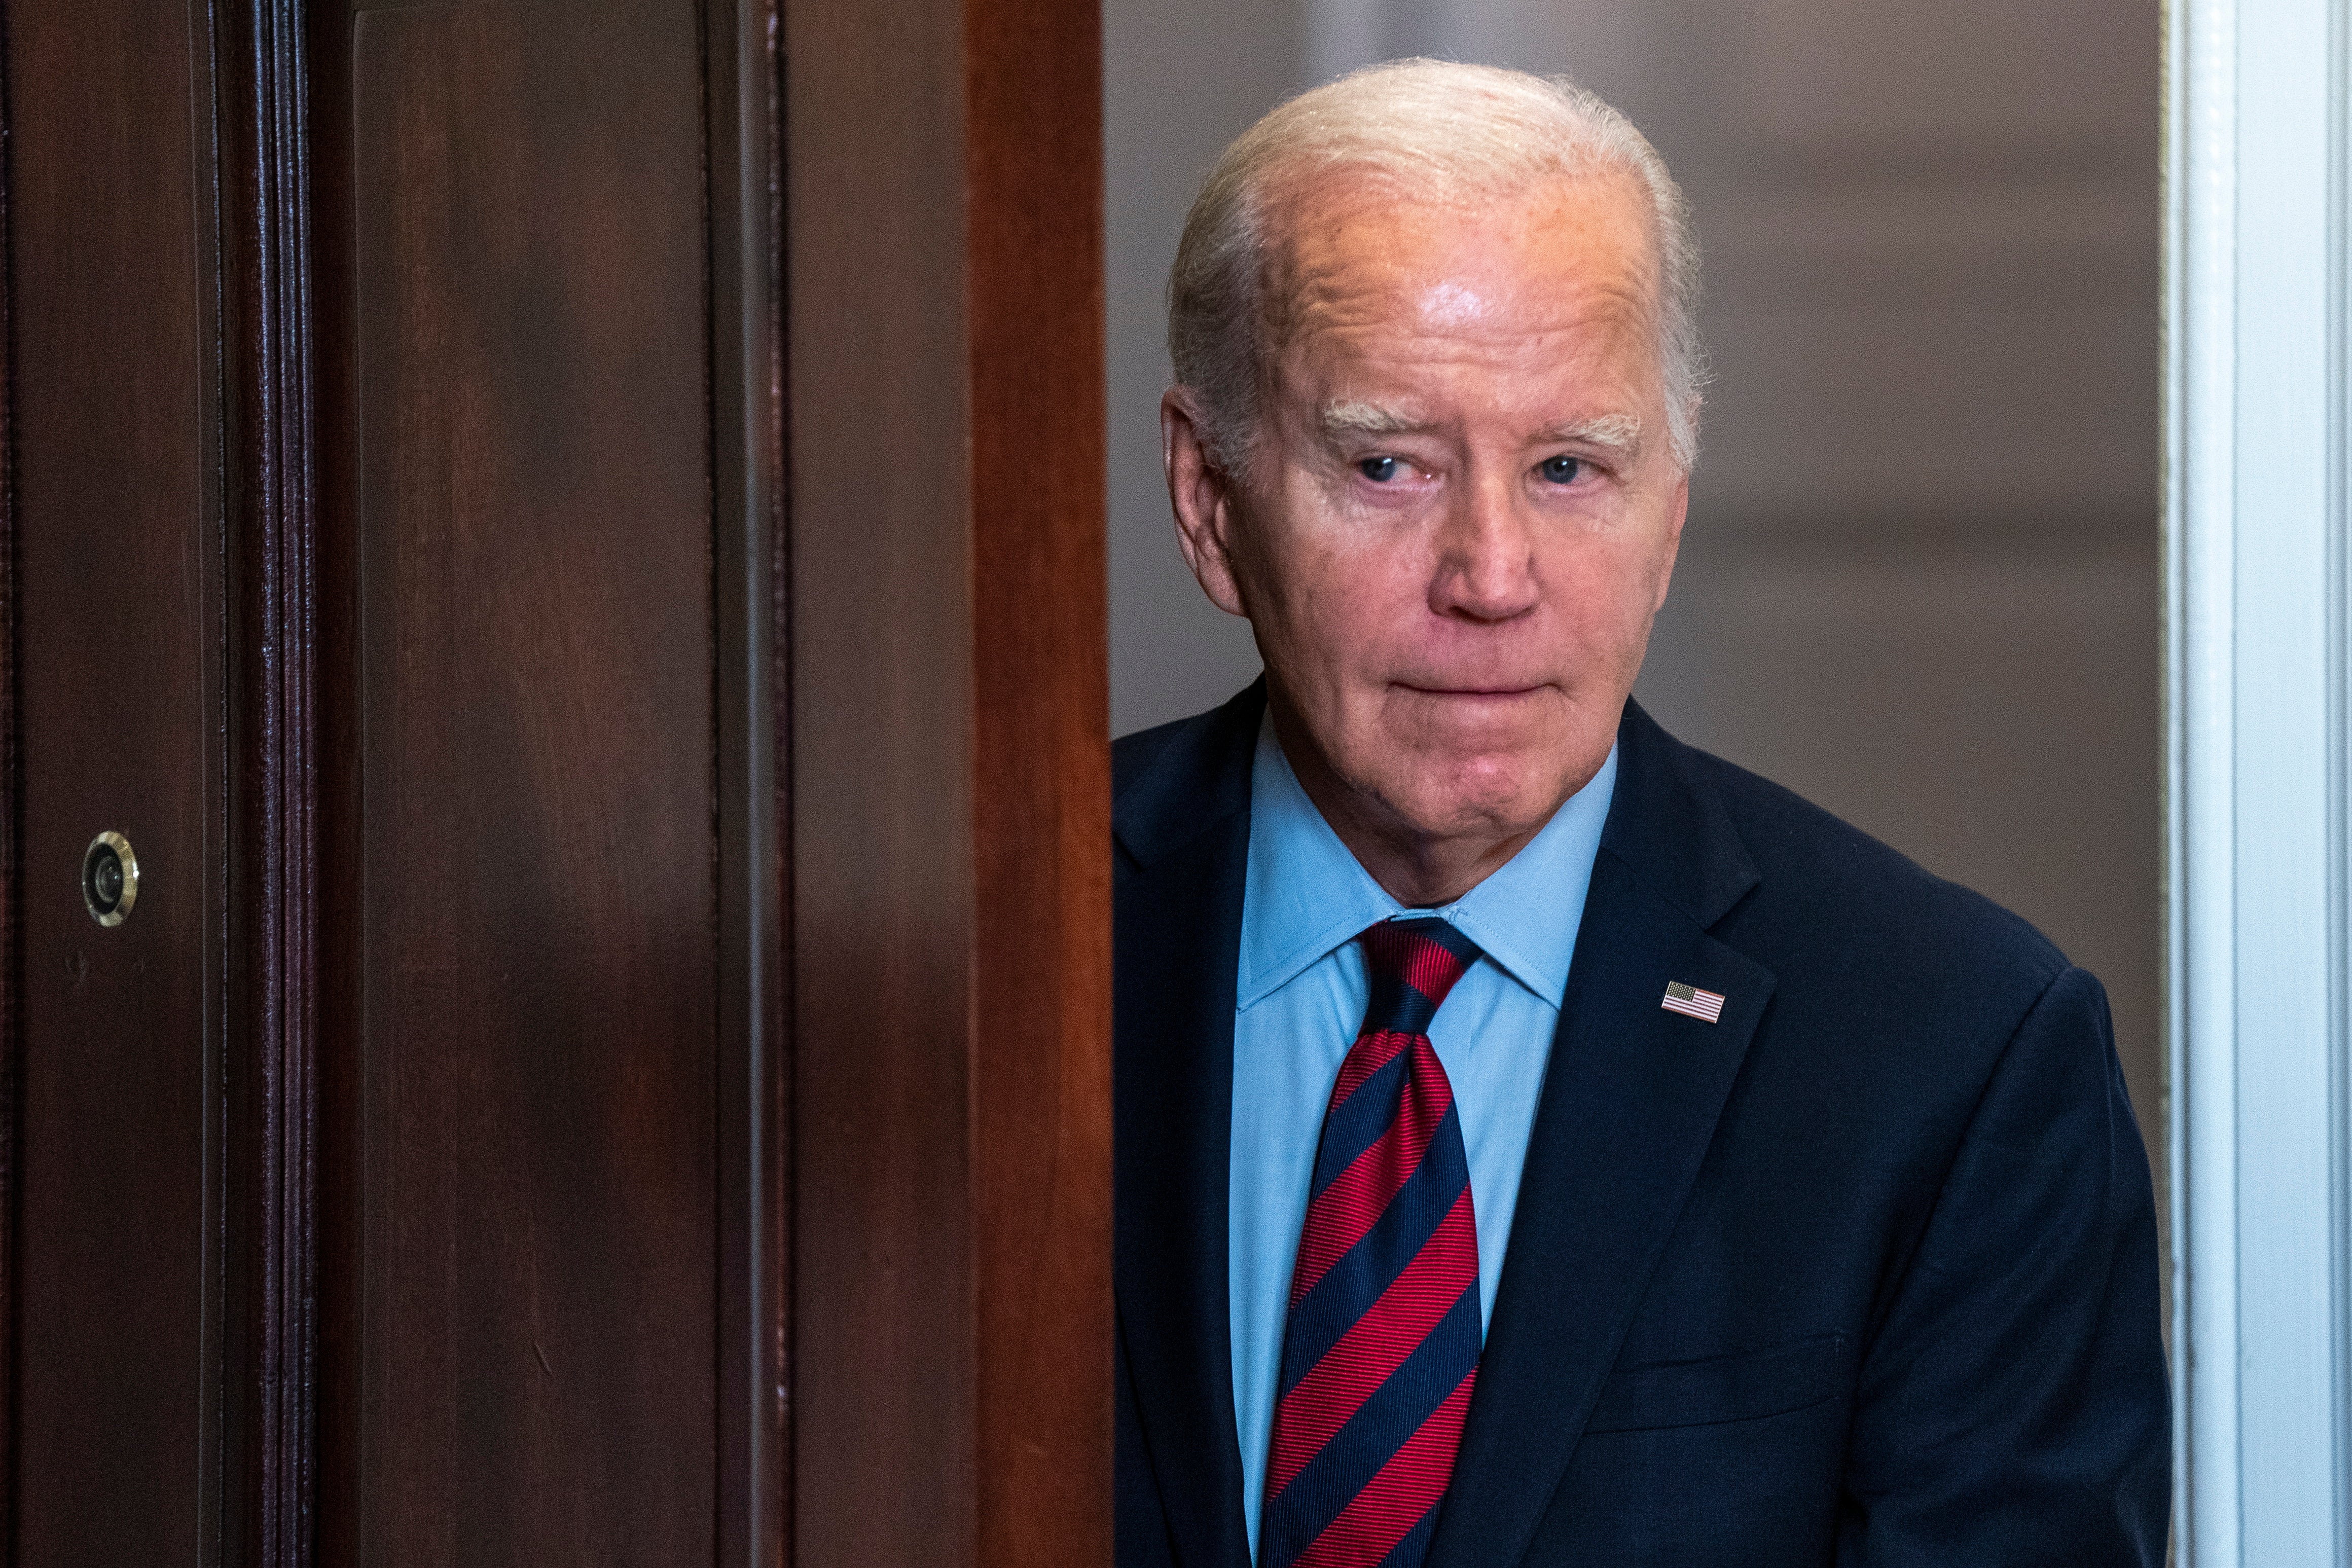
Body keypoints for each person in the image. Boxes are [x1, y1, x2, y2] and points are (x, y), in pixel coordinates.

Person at [1112, 59, 2168, 1568]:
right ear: (1210, 502)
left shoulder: (1957, 1061)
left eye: (1567, 467)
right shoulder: (978, 963)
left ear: (1668, 513)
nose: (1491, 574)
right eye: (1389, 464)